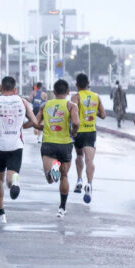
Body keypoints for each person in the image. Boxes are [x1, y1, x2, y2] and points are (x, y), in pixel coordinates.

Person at [0, 75, 38, 224]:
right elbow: (34, 121)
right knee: (11, 176)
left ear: (0, 88)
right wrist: (22, 126)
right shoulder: (23, 101)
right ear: (15, 89)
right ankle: (15, 183)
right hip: (16, 146)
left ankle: (1, 213)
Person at [35, 79, 80, 218]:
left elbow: (36, 123)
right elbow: (76, 122)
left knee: (50, 179)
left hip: (49, 143)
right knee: (64, 176)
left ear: (54, 92)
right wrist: (74, 132)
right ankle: (62, 208)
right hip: (65, 144)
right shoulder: (71, 105)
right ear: (68, 92)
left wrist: (45, 127)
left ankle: (54, 168)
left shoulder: (45, 105)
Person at [71, 73, 106, 203]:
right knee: (89, 160)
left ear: (76, 84)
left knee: (79, 155)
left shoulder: (75, 97)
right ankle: (89, 184)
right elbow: (103, 115)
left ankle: (79, 179)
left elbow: (72, 113)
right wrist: (92, 112)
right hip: (91, 132)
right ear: (88, 83)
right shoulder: (96, 96)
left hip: (79, 132)